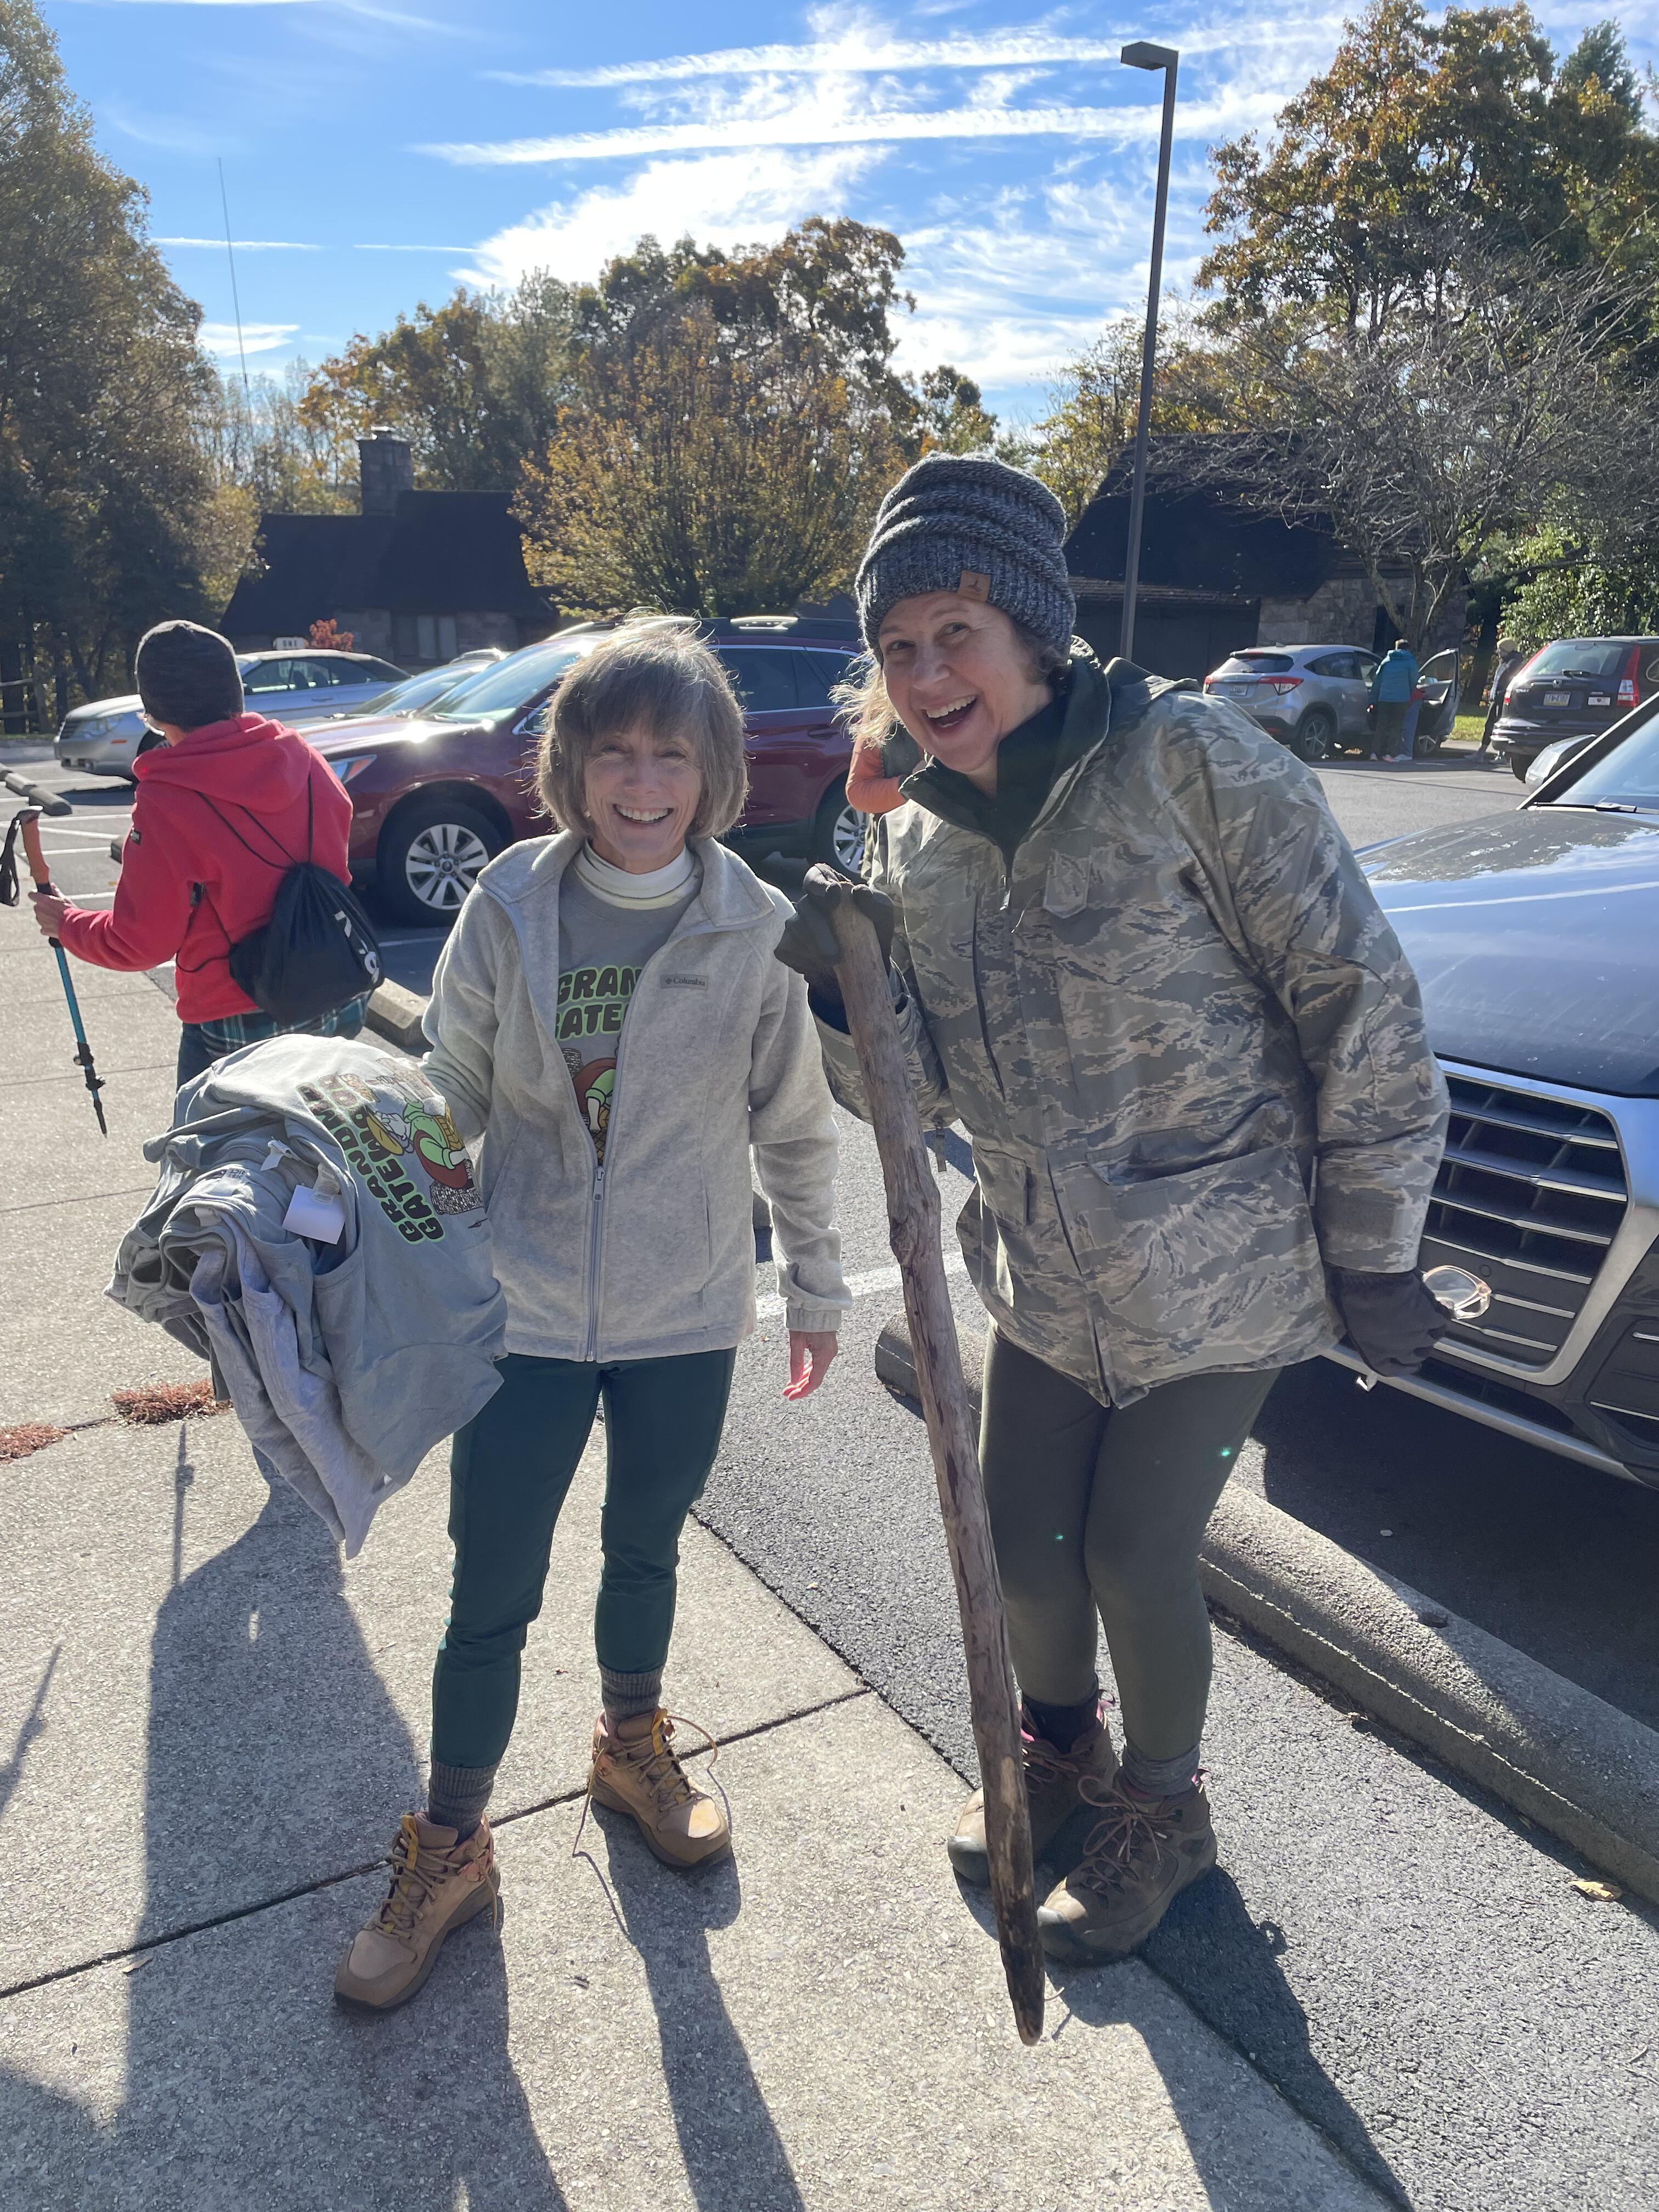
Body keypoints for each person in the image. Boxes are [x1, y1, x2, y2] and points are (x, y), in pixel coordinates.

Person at [777, 454, 1451, 1963]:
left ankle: (1165, 1809)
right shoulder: (913, 828)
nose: (926, 676)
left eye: (956, 633)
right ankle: (1057, 1752)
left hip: (1222, 1269)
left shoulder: (1191, 762)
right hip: (1042, 1268)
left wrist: (1375, 1245)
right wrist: (841, 997)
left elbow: (1358, 998)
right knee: (1023, 1546)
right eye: (898, 647)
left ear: (1032, 627)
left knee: (1134, 1558)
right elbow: (916, 1098)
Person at [335, 618, 849, 2013]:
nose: (642, 782)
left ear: (714, 772)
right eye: (614, 753)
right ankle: (452, 1839)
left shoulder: (755, 924)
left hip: (687, 1308)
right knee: (490, 1582)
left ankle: (631, 1746)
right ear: (570, 765)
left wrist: (815, 1282)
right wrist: (366, 1164)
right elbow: (452, 1082)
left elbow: (796, 1125)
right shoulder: (511, 899)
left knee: (646, 1546)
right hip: (527, 1309)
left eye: (670, 756)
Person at [29, 622, 369, 1090]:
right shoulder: (303, 758)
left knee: (208, 1139)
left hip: (239, 1018)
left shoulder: (168, 800)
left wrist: (66, 923)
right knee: (327, 1128)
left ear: (153, 711)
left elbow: (139, 943)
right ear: (236, 692)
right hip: (338, 989)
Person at [1369, 637, 1420, 764]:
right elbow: (1414, 680)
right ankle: (1390, 754)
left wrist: (1372, 699)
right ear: (1408, 649)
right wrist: (1410, 692)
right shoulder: (1410, 662)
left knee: (1381, 726)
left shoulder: (1387, 661)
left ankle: (1375, 753)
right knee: (1396, 727)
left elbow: (1377, 681)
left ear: (1396, 648)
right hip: (1401, 699)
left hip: (1384, 698)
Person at [1479, 637, 1527, 758]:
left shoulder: (1514, 664)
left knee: (1502, 726)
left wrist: (1501, 694)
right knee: (1490, 724)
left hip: (1504, 700)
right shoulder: (1503, 662)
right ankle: (1481, 752)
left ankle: (1503, 755)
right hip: (1496, 699)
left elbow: (1510, 682)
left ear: (1507, 650)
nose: (1498, 651)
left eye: (1500, 649)